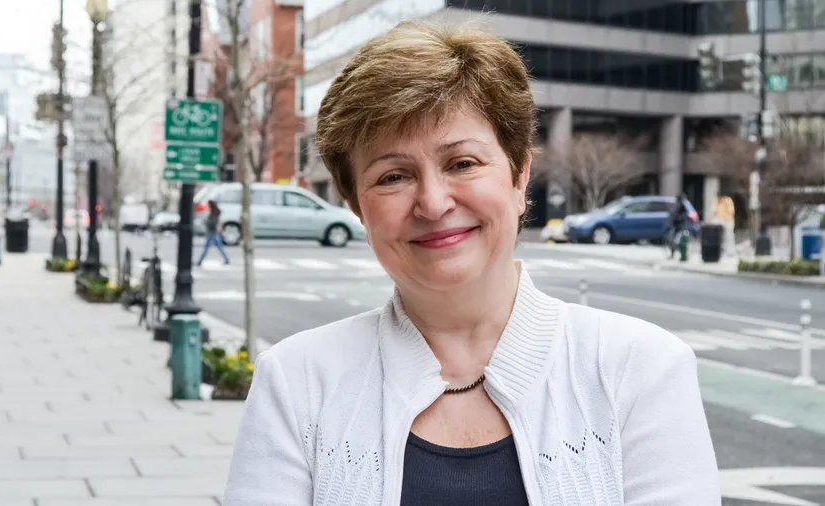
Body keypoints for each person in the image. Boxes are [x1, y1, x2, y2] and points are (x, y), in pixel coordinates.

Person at [222, 20, 720, 505]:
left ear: (520, 175)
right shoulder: (296, 382)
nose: (433, 203)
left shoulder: (640, 370)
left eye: (462, 163)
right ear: (357, 206)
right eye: (393, 176)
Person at [196, 200, 229, 265]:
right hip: (214, 232)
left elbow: (212, 223)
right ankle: (226, 260)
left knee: (207, 247)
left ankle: (200, 261)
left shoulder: (213, 213)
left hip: (212, 232)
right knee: (219, 247)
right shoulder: (215, 212)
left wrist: (206, 221)